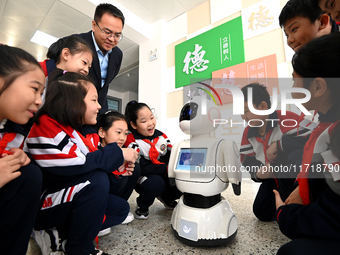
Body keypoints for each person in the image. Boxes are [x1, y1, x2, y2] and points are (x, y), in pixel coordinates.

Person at [26, 71, 138, 255]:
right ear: (73, 101)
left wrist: (118, 168)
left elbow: (93, 162)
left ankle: (66, 233)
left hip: (62, 197)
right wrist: (118, 153)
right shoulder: (46, 125)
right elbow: (78, 165)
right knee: (97, 180)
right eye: (94, 100)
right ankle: (79, 249)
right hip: (39, 205)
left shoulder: (73, 132)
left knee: (121, 209)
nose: (99, 106)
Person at [274, 32, 340, 255]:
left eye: (295, 80)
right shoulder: (327, 121)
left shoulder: (334, 134)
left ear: (319, 87)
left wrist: (287, 215)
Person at [239, 83, 311, 221]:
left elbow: (311, 141)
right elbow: (248, 160)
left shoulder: (286, 119)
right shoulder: (248, 133)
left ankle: (299, 203)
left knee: (293, 155)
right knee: (261, 211)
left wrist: (279, 144)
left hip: (295, 176)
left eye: (246, 110)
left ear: (263, 106)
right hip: (274, 177)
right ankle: (285, 205)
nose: (243, 116)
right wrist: (258, 173)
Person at [0, 45, 45, 254]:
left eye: (42, 93)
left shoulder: (13, 130)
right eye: (35, 89)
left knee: (28, 174)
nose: (39, 101)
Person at [124, 101, 182, 219]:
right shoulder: (131, 140)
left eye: (151, 118)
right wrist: (165, 169)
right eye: (144, 121)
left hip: (161, 172)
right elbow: (142, 167)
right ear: (134, 125)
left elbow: (170, 155)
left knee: (181, 181)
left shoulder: (161, 136)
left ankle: (167, 198)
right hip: (145, 176)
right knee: (155, 183)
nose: (150, 123)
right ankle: (143, 206)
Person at [73, 3, 124, 114]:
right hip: (74, 109)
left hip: (99, 111)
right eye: (107, 32)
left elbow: (104, 85)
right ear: (94, 25)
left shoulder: (118, 54)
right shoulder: (75, 43)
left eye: (117, 35)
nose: (112, 39)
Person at [96, 110, 141, 234]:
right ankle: (99, 216)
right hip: (96, 196)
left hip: (112, 192)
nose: (122, 137)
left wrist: (121, 172)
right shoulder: (95, 151)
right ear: (102, 132)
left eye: (125, 133)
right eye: (118, 132)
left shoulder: (121, 151)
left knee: (135, 168)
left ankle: (114, 209)